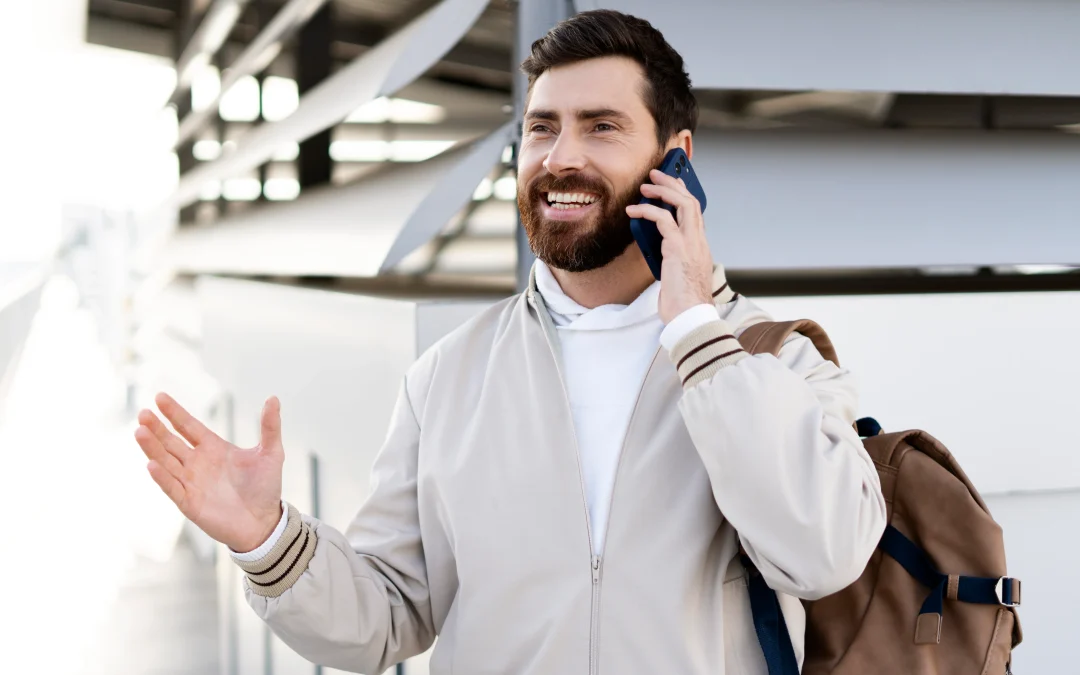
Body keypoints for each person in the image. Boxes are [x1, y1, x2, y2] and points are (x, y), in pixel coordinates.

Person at [134, 10, 886, 675]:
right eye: (541, 127)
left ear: (675, 154)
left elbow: (822, 555)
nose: (560, 157)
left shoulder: (774, 358)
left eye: (601, 125)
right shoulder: (448, 377)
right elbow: (388, 617)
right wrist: (267, 540)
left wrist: (695, 328)